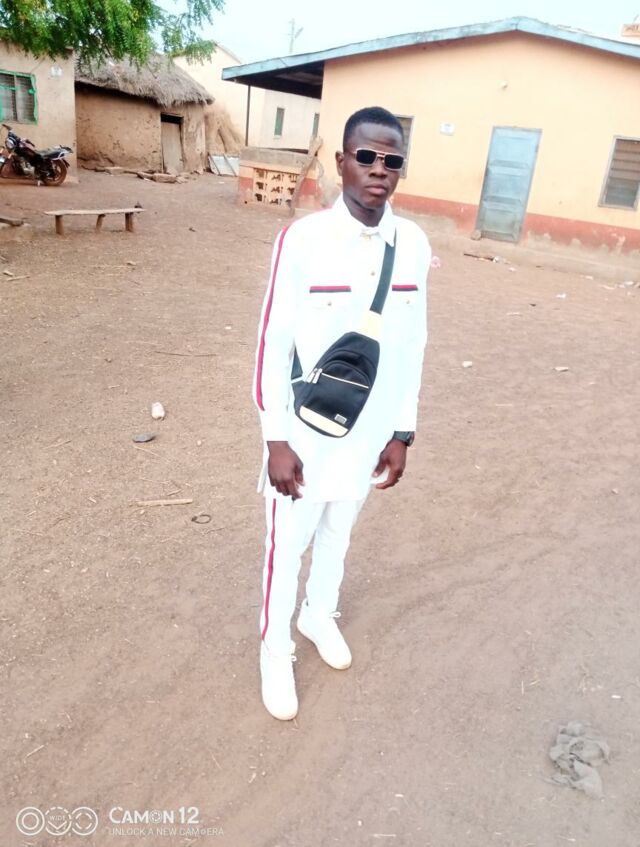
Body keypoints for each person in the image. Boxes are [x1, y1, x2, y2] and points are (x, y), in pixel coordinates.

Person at [253, 106, 431, 720]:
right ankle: (275, 649)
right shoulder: (303, 240)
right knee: (288, 547)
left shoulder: (413, 244)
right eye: (367, 156)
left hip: (369, 433)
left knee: (338, 535)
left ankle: (317, 615)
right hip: (305, 436)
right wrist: (275, 438)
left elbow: (413, 343)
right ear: (341, 162)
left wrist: (402, 430)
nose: (379, 170)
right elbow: (273, 344)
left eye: (392, 160)